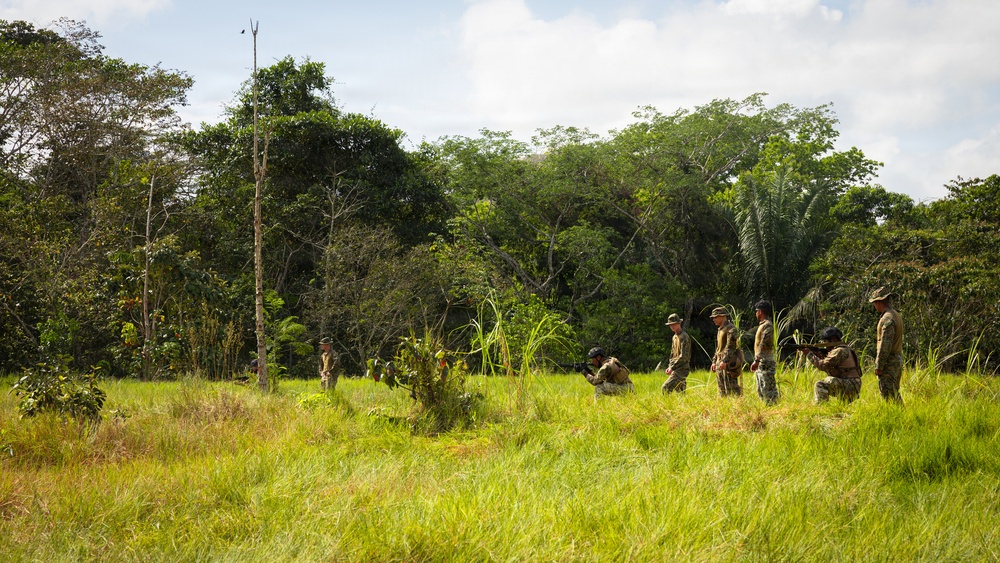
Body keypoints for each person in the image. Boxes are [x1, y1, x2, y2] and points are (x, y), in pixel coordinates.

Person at [807, 326, 862, 403]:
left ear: (833, 339)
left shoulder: (839, 351)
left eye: (825, 341)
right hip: (852, 384)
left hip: (849, 384)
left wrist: (808, 354)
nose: (824, 344)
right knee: (842, 407)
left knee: (820, 384)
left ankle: (821, 407)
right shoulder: (845, 349)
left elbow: (822, 365)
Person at [870, 286, 904, 402]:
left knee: (888, 394)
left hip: (889, 361)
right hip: (896, 359)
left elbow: (885, 344)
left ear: (879, 302)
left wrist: (879, 365)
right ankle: (901, 416)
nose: (874, 306)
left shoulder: (887, 319)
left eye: (874, 302)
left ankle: (897, 417)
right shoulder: (896, 315)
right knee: (893, 392)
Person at [749, 300, 778, 404]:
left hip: (766, 361)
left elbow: (764, 344)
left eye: (756, 311)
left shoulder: (767, 325)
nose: (756, 313)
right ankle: (765, 409)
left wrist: (757, 360)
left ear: (760, 312)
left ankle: (773, 409)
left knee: (768, 389)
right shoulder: (762, 325)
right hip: (762, 361)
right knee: (761, 388)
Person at [709, 306, 743, 396]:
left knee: (732, 388)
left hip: (728, 363)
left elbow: (730, 347)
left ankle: (738, 405)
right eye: (713, 317)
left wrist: (724, 360)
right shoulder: (720, 330)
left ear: (723, 316)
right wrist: (714, 361)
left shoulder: (731, 329)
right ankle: (724, 406)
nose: (713, 319)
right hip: (719, 362)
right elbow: (718, 348)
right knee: (722, 389)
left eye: (716, 317)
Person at [661, 313, 691, 393]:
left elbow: (684, 356)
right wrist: (669, 366)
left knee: (665, 388)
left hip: (682, 368)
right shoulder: (674, 337)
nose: (672, 326)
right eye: (670, 325)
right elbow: (672, 354)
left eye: (674, 324)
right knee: (680, 393)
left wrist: (672, 367)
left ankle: (666, 405)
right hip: (676, 368)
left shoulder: (684, 337)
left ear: (679, 323)